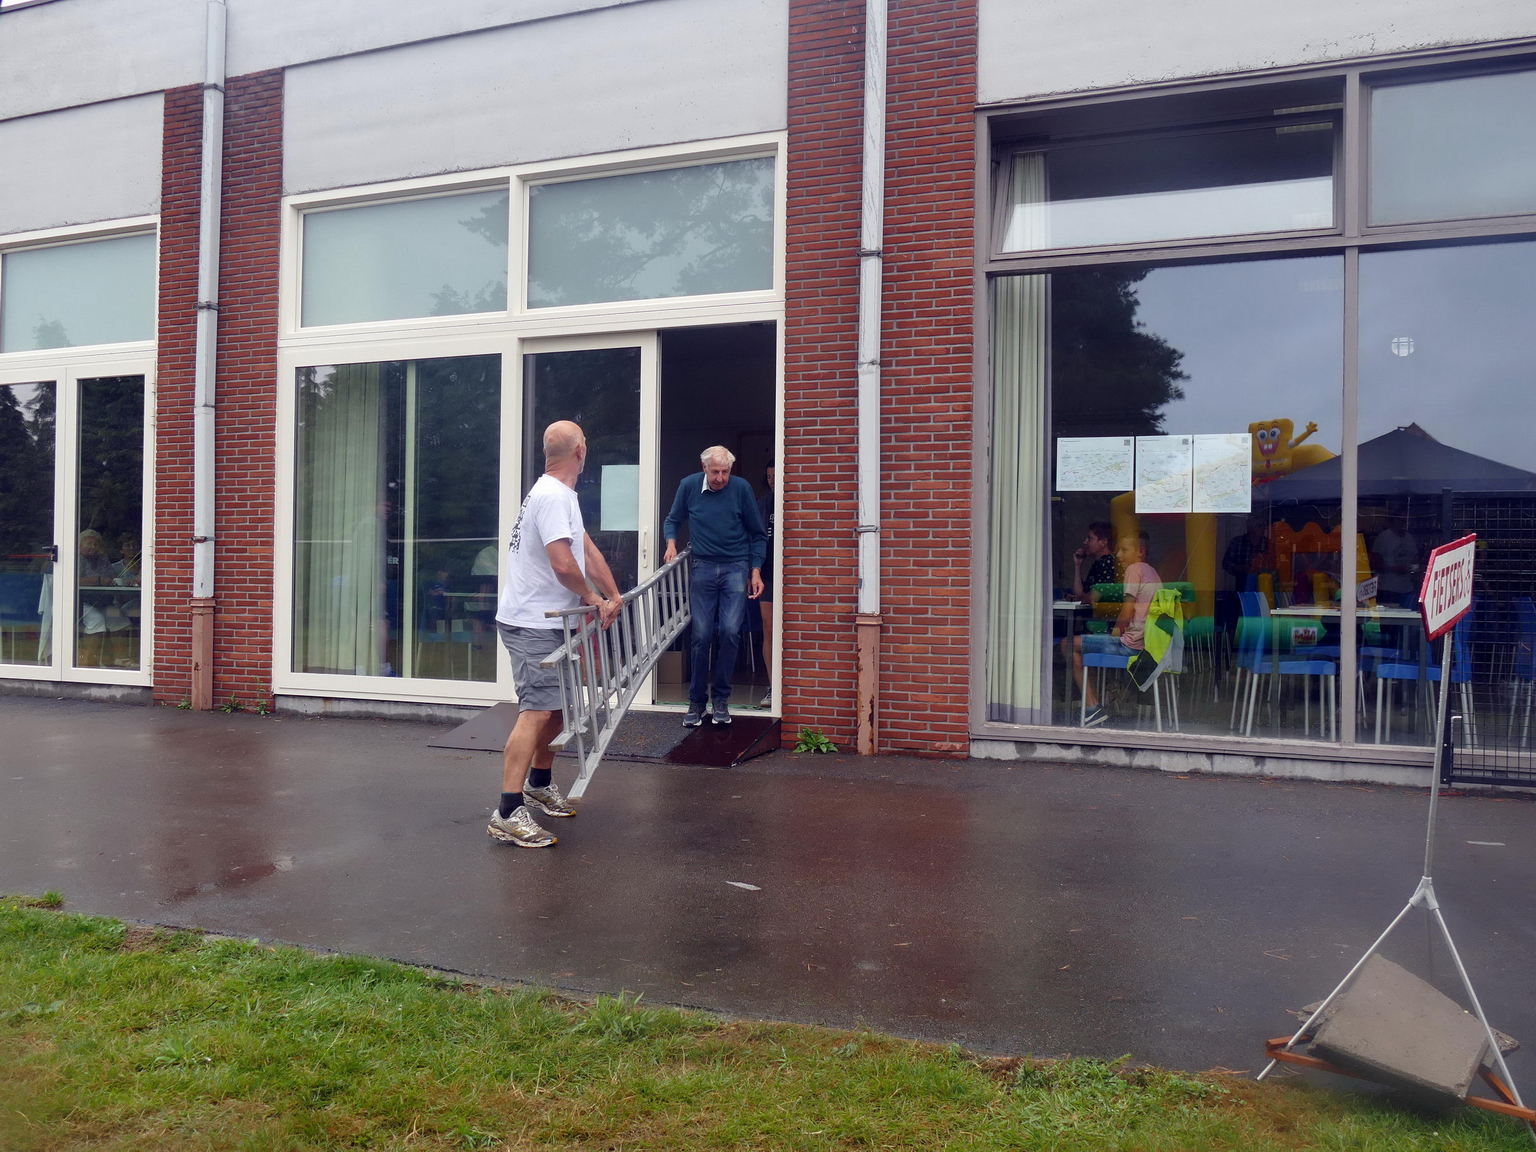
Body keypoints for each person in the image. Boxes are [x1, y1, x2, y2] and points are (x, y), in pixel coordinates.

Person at [488, 420, 622, 849]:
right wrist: (592, 598)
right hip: (532, 623)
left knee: (559, 710)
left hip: (551, 622)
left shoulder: (562, 496)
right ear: (581, 451)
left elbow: (585, 548)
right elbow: (564, 564)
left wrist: (613, 595)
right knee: (537, 711)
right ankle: (507, 811)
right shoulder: (550, 496)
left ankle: (539, 784)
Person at [663, 445, 767, 727]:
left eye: (725, 472)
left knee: (731, 632)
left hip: (736, 567)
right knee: (701, 635)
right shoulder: (689, 486)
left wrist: (755, 571)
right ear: (704, 468)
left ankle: (721, 699)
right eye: (715, 472)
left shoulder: (741, 489)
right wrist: (671, 543)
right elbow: (673, 519)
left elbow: (758, 534)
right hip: (703, 567)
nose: (721, 478)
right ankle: (696, 702)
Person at [1069, 530, 1161, 728]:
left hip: (1131, 646)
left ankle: (1092, 708)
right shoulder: (1152, 572)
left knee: (1069, 644)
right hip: (1148, 645)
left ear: (1140, 552)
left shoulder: (1134, 569)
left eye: (1124, 550)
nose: (1118, 555)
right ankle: (1095, 703)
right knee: (1087, 647)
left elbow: (1127, 611)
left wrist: (1115, 633)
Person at [756, 462, 776, 707]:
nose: (772, 480)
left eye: (775, 475)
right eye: (769, 476)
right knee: (768, 627)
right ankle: (773, 686)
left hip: (791, 574)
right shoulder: (762, 504)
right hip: (767, 574)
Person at [1068, 521, 1117, 603]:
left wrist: (1080, 598)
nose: (1085, 542)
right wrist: (1077, 565)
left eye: (1090, 538)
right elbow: (1079, 593)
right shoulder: (1098, 564)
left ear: (1103, 542)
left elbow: (1096, 597)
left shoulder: (1108, 563)